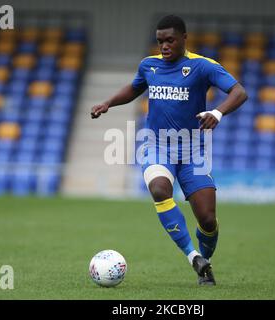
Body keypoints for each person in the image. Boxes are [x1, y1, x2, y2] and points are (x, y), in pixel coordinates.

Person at [91, 14, 247, 285]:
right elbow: (134, 88)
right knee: (160, 189)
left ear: (184, 39)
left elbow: (239, 92)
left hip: (193, 152)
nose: (164, 46)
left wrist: (218, 113)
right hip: (156, 145)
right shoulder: (148, 66)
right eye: (160, 41)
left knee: (208, 219)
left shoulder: (202, 66)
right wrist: (108, 103)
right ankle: (192, 256)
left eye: (169, 40)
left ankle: (205, 264)